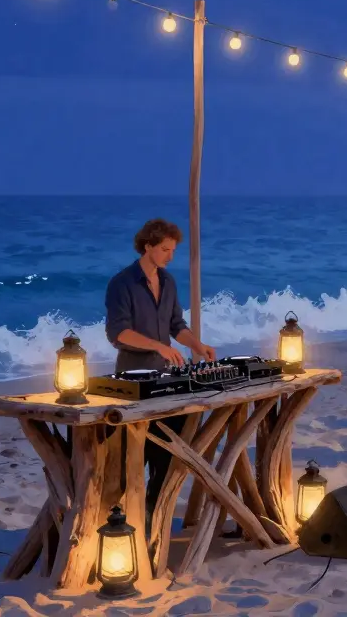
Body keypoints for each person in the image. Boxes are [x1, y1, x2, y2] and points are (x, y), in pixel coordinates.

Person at [105, 218, 216, 521]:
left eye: (173, 250)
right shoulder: (122, 283)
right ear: (147, 246)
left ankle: (155, 511)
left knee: (169, 449)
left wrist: (198, 345)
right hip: (132, 379)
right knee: (131, 456)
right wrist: (157, 346)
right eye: (165, 249)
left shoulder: (167, 282)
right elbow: (118, 333)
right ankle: (119, 517)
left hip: (165, 378)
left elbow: (176, 326)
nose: (170, 256)